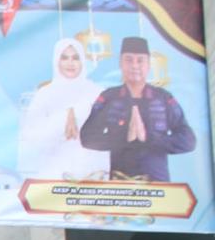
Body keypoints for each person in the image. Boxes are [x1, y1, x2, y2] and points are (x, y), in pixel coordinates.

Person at [80, 36, 196, 181]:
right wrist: (124, 138)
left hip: (157, 183)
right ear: (120, 64)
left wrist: (149, 138)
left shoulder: (164, 98)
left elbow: (188, 140)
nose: (135, 66)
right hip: (120, 183)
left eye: (140, 60)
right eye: (128, 60)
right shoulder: (109, 97)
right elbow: (87, 137)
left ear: (148, 65)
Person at [18, 38, 109, 179]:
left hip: (92, 173)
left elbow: (107, 133)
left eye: (75, 58)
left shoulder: (97, 92)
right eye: (64, 58)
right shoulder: (45, 94)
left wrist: (78, 114)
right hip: (53, 172)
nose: (70, 63)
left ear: (83, 61)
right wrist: (63, 118)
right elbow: (31, 135)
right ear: (57, 61)